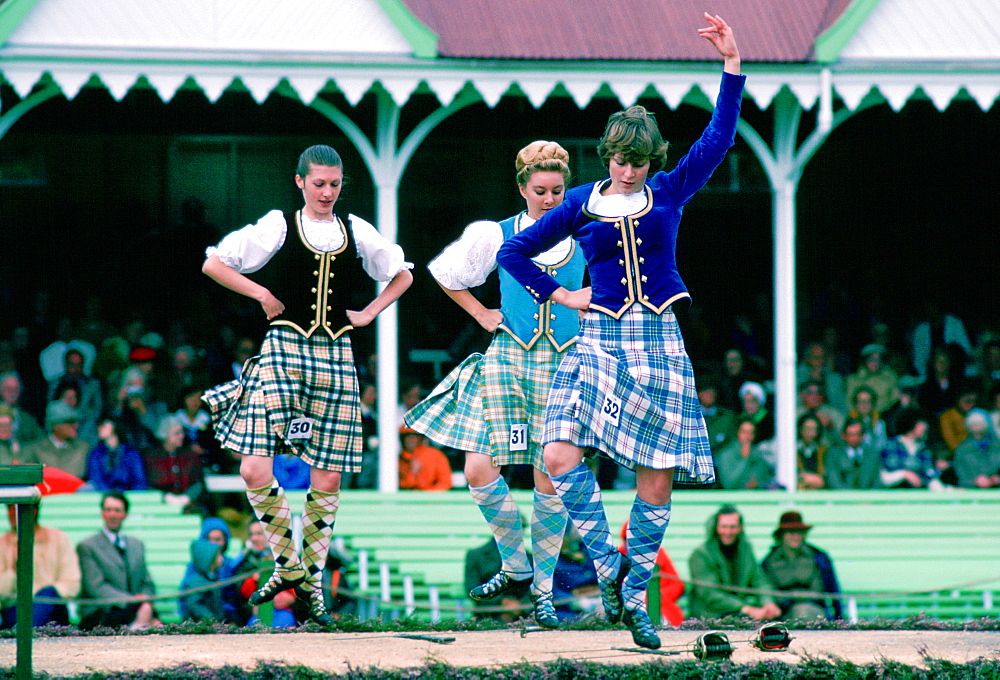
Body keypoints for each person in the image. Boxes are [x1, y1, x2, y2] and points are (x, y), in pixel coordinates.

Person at [496, 14, 743, 649]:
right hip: (600, 337)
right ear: (606, 155)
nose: (628, 171)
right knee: (556, 455)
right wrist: (562, 293)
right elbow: (514, 254)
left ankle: (635, 594)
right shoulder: (579, 202)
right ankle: (609, 561)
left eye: (637, 161)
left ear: (649, 160)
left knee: (655, 472)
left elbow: (717, 138)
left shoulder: (667, 190)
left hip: (657, 338)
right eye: (620, 160)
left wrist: (731, 67)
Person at [201, 144, 413, 625]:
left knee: (329, 476)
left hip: (336, 351)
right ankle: (287, 564)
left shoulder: (355, 229)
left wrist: (370, 312)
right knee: (254, 467)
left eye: (334, 184)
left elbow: (401, 274)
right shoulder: (279, 224)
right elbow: (215, 263)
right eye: (318, 183)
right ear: (300, 182)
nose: (327, 192)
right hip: (284, 346)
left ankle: (310, 583)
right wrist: (261, 293)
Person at [404, 140, 583, 629]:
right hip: (508, 356)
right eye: (541, 190)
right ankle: (516, 562)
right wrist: (481, 312)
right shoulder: (499, 234)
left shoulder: (586, 233)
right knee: (479, 466)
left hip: (565, 363)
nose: (549, 198)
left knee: (551, 474)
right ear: (523, 188)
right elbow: (444, 272)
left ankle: (543, 592)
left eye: (557, 190)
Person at [76, 491, 159, 630]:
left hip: (135, 608)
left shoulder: (137, 545)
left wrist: (144, 596)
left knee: (152, 617)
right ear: (102, 513)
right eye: (108, 510)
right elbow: (95, 587)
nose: (112, 515)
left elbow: (147, 582)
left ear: (125, 514)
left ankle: (139, 625)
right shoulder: (87, 546)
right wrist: (131, 601)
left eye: (117, 510)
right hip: (102, 612)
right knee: (150, 617)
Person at [687, 505, 780, 622]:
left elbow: (759, 580)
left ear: (740, 528)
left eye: (733, 527)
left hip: (738, 615)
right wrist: (746, 608)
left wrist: (768, 602)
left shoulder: (745, 550)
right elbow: (710, 594)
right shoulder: (700, 555)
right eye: (723, 527)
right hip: (709, 617)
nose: (728, 532)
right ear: (715, 528)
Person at [0, 504, 81, 628]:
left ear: (33, 510)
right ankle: (28, 632)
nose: (11, 514)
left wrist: (40, 593)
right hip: (16, 607)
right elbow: (2, 595)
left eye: (14, 509)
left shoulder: (58, 538)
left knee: (47, 594)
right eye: (9, 509)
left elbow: (72, 584)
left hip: (52, 606)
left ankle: (27, 635)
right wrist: (12, 569)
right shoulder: (3, 543)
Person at [760, 511, 842, 621]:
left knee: (803, 611)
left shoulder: (818, 557)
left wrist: (839, 618)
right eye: (791, 532)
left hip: (815, 610)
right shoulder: (769, 561)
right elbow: (771, 592)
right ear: (781, 535)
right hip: (783, 615)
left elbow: (825, 590)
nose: (796, 536)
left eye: (800, 532)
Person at [617, 520, 684, 627]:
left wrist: (656, 597)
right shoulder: (618, 557)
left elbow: (676, 584)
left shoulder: (659, 554)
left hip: (661, 606)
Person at [143, 414, 206, 511]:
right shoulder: (151, 457)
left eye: (182, 432)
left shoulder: (190, 455)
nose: (181, 436)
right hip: (160, 507)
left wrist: (187, 497)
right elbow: (147, 485)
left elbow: (199, 483)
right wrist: (165, 497)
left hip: (190, 505)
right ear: (164, 435)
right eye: (177, 433)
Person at [19, 401, 90, 480]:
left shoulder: (84, 449)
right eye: (70, 422)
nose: (76, 425)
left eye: (76, 422)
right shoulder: (35, 450)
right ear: (56, 426)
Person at [47, 348, 102, 446]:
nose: (76, 368)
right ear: (66, 365)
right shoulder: (54, 384)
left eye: (79, 365)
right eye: (72, 364)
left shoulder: (93, 384)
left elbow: (97, 410)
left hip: (85, 428)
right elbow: (51, 410)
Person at [879, 407, 942, 489]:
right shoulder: (891, 445)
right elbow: (884, 477)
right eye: (921, 423)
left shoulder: (924, 450)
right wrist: (904, 474)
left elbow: (930, 476)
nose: (925, 426)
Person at [86, 418, 149, 491]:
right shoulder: (96, 454)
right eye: (99, 425)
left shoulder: (131, 453)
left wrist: (129, 498)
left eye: (103, 425)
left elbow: (140, 480)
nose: (99, 428)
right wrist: (110, 496)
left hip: (129, 497)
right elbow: (96, 479)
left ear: (115, 426)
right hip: (105, 497)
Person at [714, 418, 776, 490]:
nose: (747, 436)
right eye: (744, 432)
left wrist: (758, 483)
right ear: (737, 433)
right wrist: (745, 459)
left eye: (751, 432)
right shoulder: (726, 454)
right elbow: (729, 484)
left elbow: (765, 480)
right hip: (733, 499)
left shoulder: (759, 454)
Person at [824, 418, 883, 489]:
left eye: (858, 434)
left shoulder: (872, 454)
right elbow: (833, 481)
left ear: (863, 435)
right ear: (843, 436)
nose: (855, 438)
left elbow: (876, 481)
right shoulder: (834, 454)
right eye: (851, 434)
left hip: (868, 497)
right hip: (842, 497)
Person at [178, 537, 226, 622]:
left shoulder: (212, 578)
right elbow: (195, 605)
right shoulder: (195, 582)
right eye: (218, 555)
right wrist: (210, 619)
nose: (222, 558)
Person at [953, 409, 1000, 488]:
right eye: (973, 425)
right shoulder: (963, 449)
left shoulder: (996, 446)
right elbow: (960, 471)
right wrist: (974, 481)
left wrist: (994, 479)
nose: (976, 428)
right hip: (970, 489)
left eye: (979, 425)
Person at [845, 344, 900, 413]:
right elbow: (850, 402)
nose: (875, 363)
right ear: (865, 360)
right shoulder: (854, 379)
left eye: (878, 359)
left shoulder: (890, 377)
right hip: (860, 417)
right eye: (871, 359)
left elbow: (895, 399)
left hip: (885, 416)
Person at [397, 427, 452, 491]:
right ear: (402, 439)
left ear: (420, 438)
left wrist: (427, 495)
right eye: (407, 436)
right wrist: (412, 473)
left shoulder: (435, 455)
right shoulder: (398, 460)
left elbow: (445, 483)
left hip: (432, 499)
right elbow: (401, 487)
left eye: (414, 436)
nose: (411, 439)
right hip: (408, 498)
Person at [0, 372, 43, 445]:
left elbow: (40, 439)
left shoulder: (27, 418)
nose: (12, 392)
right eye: (8, 389)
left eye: (16, 389)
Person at [697, 374, 736, 454]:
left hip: (722, 460)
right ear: (699, 394)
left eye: (712, 390)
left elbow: (732, 443)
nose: (710, 394)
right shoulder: (691, 416)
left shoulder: (727, 416)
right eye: (706, 391)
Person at [795, 413, 827, 490]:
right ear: (800, 429)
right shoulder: (791, 451)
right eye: (807, 429)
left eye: (814, 429)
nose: (810, 433)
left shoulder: (823, 451)